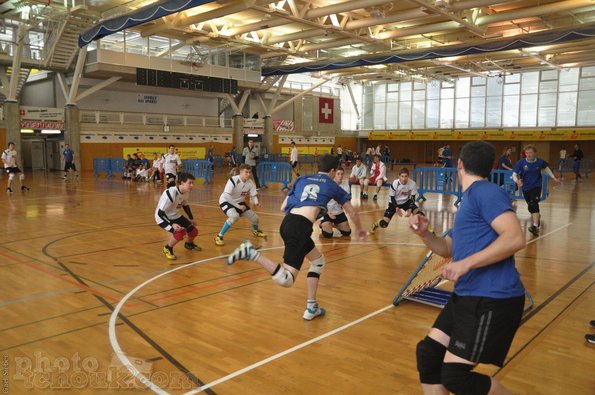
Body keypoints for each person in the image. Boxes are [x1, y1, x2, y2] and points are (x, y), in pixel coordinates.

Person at [408, 140, 527, 395]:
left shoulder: (486, 192)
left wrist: (465, 264)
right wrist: (425, 234)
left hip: (492, 298)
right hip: (467, 295)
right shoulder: (470, 199)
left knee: (455, 377)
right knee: (429, 354)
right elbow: (448, 248)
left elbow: (515, 237)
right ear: (491, 166)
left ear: (459, 164)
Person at [226, 154, 367, 320]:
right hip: (300, 228)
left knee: (318, 261)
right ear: (332, 171)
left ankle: (311, 307)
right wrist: (359, 229)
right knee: (286, 279)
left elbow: (282, 207)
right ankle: (251, 253)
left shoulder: (302, 179)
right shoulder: (332, 184)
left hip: (287, 223)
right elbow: (352, 211)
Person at [214, 164, 267, 246]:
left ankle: (256, 231)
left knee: (255, 218)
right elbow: (226, 195)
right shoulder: (233, 180)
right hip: (226, 201)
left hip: (239, 202)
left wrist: (256, 202)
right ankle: (219, 236)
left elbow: (253, 195)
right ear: (241, 172)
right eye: (246, 172)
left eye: (249, 172)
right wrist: (238, 207)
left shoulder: (250, 183)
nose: (248, 174)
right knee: (234, 216)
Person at [512, 145, 559, 236]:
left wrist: (553, 178)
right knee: (531, 206)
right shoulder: (521, 163)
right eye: (527, 153)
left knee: (533, 203)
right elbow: (514, 174)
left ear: (535, 153)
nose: (528, 155)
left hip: (536, 186)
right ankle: (537, 217)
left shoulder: (540, 162)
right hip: (525, 188)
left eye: (530, 152)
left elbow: (546, 169)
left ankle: (535, 226)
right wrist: (516, 180)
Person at [154, 172, 201, 260]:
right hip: (163, 218)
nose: (192, 185)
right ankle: (167, 249)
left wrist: (191, 218)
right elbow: (160, 213)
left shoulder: (186, 192)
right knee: (180, 233)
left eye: (192, 183)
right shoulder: (171, 193)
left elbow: (185, 205)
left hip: (175, 215)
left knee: (193, 231)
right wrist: (172, 224)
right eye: (190, 183)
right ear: (182, 183)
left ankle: (189, 244)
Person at [369, 167, 423, 234]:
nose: (404, 179)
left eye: (406, 176)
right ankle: (376, 224)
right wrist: (396, 207)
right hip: (393, 203)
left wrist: (410, 209)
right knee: (384, 224)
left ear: (408, 176)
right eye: (402, 176)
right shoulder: (395, 183)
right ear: (399, 176)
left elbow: (412, 198)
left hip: (406, 201)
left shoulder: (412, 184)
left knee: (421, 215)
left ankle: (431, 232)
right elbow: (392, 197)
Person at [320, 167, 351, 238]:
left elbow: (346, 201)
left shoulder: (346, 185)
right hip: (327, 212)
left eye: (342, 174)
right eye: (338, 174)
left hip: (338, 211)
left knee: (347, 232)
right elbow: (321, 202)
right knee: (328, 234)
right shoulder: (328, 184)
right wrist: (327, 212)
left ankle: (335, 225)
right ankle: (322, 224)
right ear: (334, 175)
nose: (340, 176)